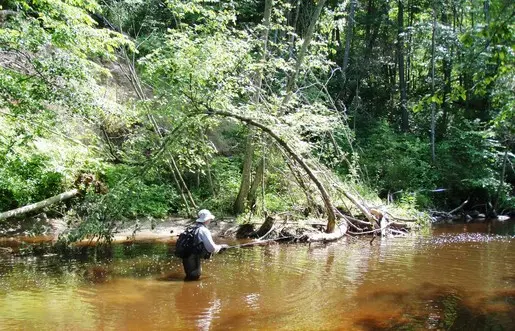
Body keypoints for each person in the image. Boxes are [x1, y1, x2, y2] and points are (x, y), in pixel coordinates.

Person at [182, 209, 228, 281]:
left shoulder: (192, 228)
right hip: (193, 258)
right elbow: (211, 248)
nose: (210, 221)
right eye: (210, 219)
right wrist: (221, 247)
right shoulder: (203, 230)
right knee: (194, 278)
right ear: (207, 220)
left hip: (185, 256)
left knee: (189, 277)